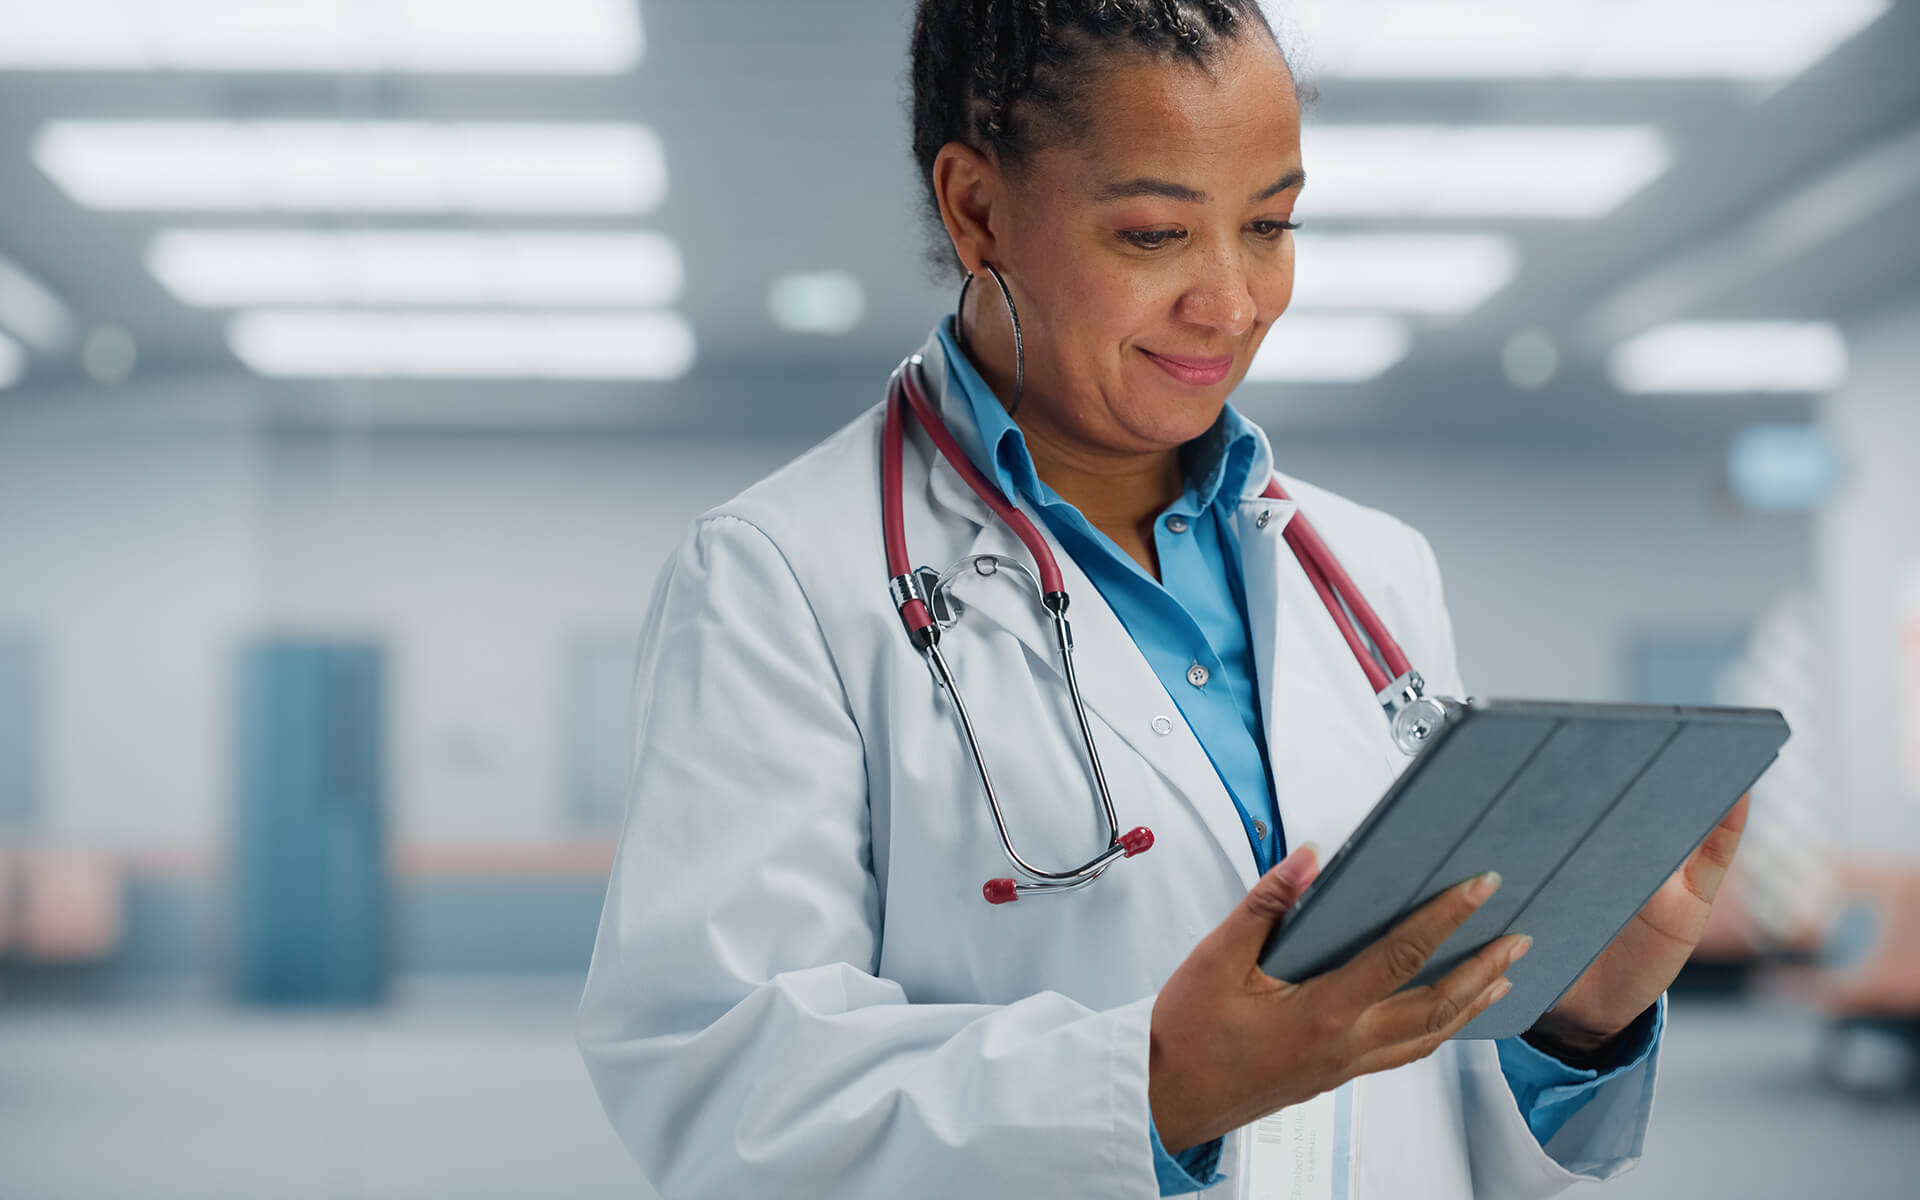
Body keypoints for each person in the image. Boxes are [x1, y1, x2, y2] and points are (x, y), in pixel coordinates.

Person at [577, 3, 1748, 1196]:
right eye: (1153, 234)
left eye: (1272, 224)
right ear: (977, 207)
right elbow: (726, 1090)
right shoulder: (780, 576)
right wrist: (1153, 1082)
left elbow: (1409, 1098)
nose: (1233, 303)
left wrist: (1568, 1023)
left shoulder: (1377, 570)